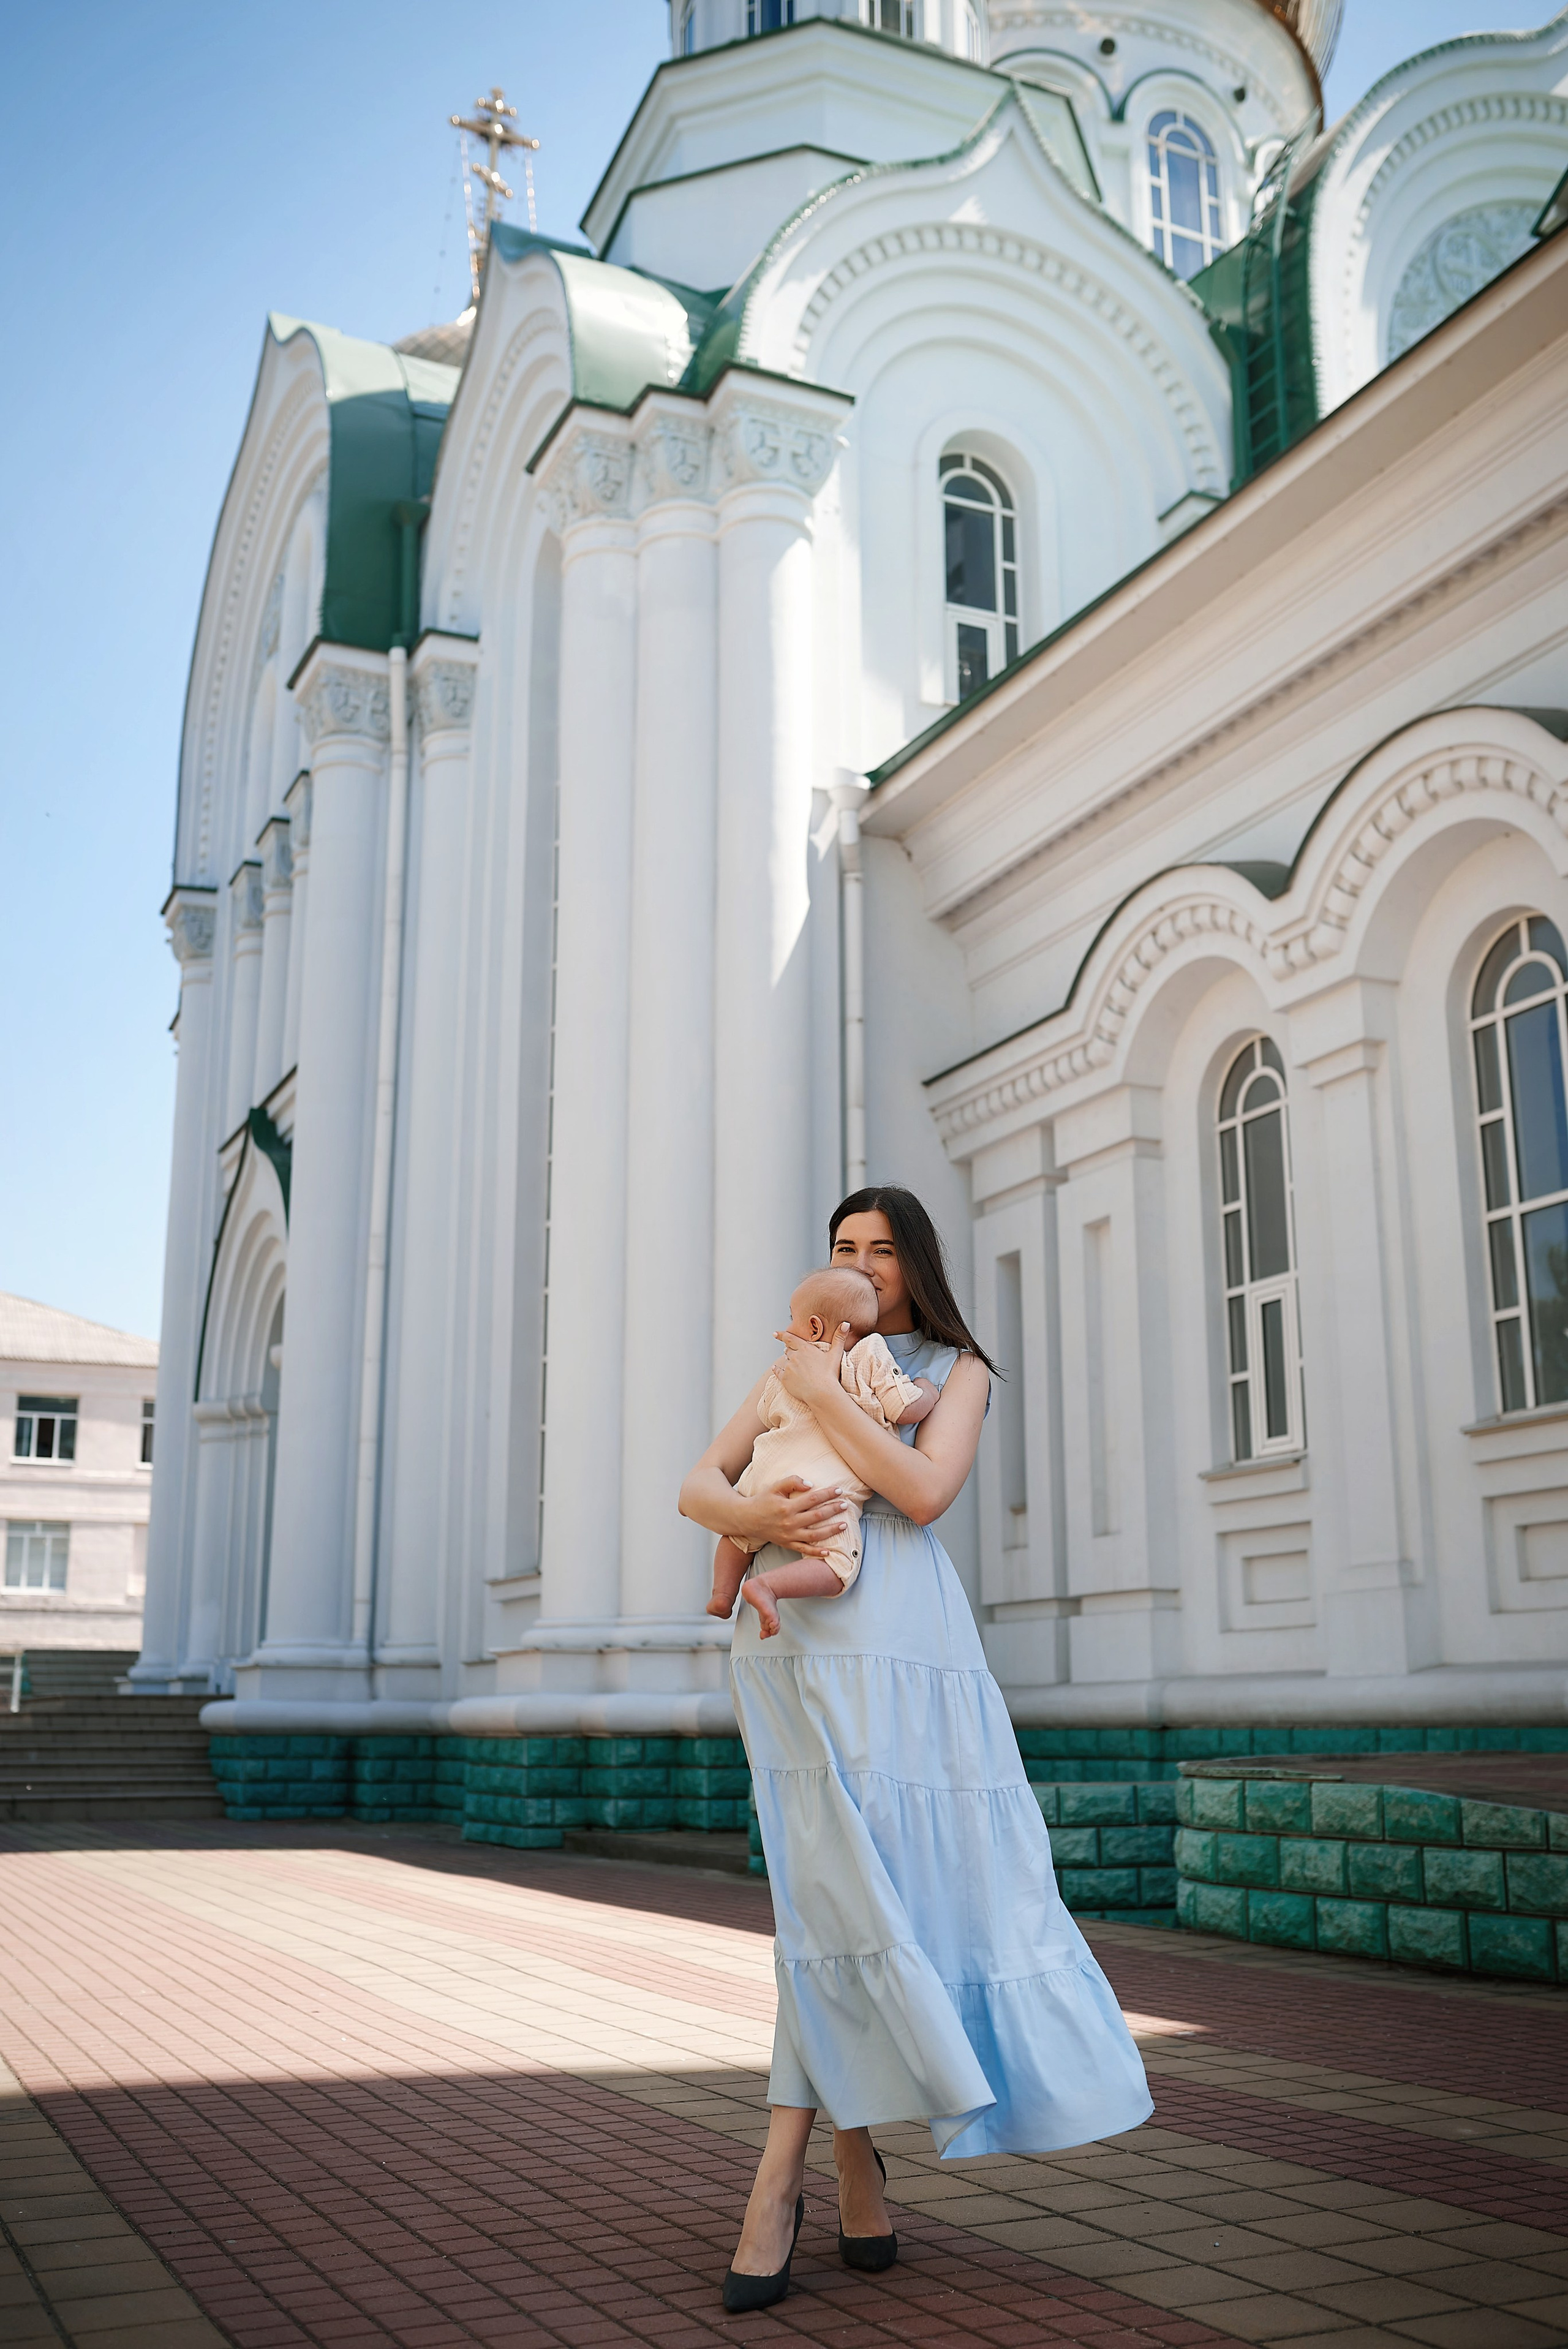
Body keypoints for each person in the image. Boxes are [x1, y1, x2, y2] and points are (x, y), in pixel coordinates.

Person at [679, 1185, 1153, 2313]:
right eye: (844, 1247)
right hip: (788, 1645)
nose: (862, 1264)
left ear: (913, 1266)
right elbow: (699, 1485)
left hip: (902, 1639)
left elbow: (923, 1492)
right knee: (828, 1896)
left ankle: (794, 2177)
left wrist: (818, 1395)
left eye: (882, 1250)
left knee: (871, 1897)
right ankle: (831, 2166)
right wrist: (759, 1522)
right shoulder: (791, 1360)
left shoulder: (954, 1369)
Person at [706, 1263, 940, 1637]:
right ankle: (768, 1586)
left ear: (813, 1328)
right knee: (837, 1562)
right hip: (822, 1491)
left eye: (791, 1320)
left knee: (736, 1538)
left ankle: (722, 1594)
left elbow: (767, 1412)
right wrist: (928, 1389)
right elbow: (905, 1408)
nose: (786, 1330)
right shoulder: (869, 1353)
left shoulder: (787, 1368)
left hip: (763, 1478)